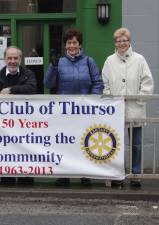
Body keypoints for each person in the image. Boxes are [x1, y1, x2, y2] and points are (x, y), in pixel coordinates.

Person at [44, 28, 104, 186]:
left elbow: (98, 83)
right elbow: (48, 84)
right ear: (65, 45)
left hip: (84, 111)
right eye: (69, 42)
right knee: (64, 144)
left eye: (74, 42)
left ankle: (84, 174)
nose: (72, 45)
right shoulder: (59, 62)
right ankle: (64, 174)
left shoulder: (89, 61)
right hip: (63, 112)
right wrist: (52, 66)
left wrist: (91, 101)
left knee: (83, 142)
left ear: (79, 44)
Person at [101, 28, 154, 188]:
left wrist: (139, 98)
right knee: (117, 144)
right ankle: (118, 174)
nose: (121, 43)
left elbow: (147, 82)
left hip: (135, 108)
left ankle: (135, 174)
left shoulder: (139, 59)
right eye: (118, 40)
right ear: (115, 43)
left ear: (129, 41)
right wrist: (110, 99)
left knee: (136, 144)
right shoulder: (109, 61)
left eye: (124, 40)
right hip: (116, 110)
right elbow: (105, 83)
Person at [0, 46, 37, 185]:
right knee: (6, 150)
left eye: (15, 58)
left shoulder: (28, 74)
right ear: (4, 60)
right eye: (9, 58)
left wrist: (11, 90)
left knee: (25, 150)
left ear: (20, 59)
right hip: (4, 125)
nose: (12, 61)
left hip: (25, 123)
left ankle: (26, 178)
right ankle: (7, 178)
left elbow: (32, 89)